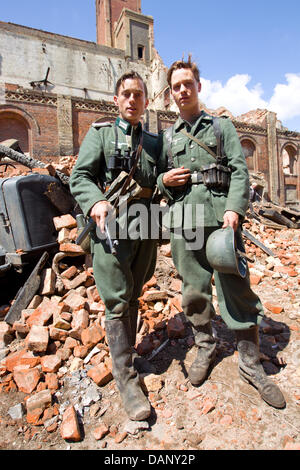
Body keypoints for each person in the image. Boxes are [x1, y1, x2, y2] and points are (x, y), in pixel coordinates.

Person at [157, 58, 286, 409]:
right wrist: (162, 181)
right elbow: (157, 181)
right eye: (176, 86)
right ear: (170, 95)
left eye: (188, 83)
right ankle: (205, 348)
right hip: (186, 221)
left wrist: (234, 209)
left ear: (198, 87)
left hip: (220, 219)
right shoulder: (167, 138)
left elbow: (239, 173)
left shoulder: (220, 127)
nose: (182, 90)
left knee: (235, 287)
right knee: (194, 289)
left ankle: (250, 362)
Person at [70, 71, 164, 421]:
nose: (131, 100)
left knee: (135, 291)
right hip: (110, 228)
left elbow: (160, 184)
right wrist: (94, 202)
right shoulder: (101, 135)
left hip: (146, 227)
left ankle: (131, 353)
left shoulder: (155, 143)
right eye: (125, 94)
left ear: (146, 101)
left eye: (137, 94)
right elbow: (78, 176)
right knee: (116, 298)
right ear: (115, 100)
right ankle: (126, 379)